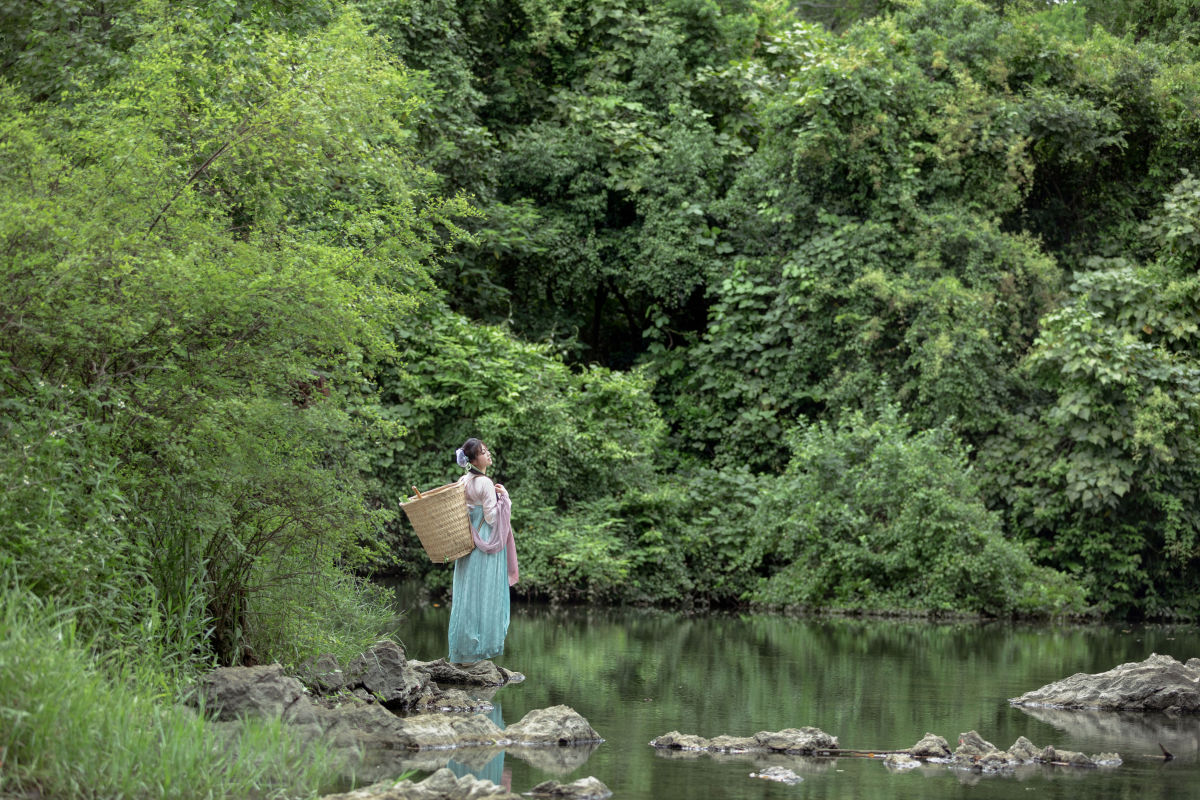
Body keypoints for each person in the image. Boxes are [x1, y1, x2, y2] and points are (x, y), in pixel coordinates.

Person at [447, 437, 519, 666]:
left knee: (467, 594)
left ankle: (464, 650)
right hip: (486, 542)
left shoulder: (463, 480)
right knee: (486, 594)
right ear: (474, 459)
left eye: (487, 450)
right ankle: (480, 650)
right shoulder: (485, 483)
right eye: (483, 452)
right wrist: (505, 498)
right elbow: (491, 517)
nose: (488, 454)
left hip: (470, 543)